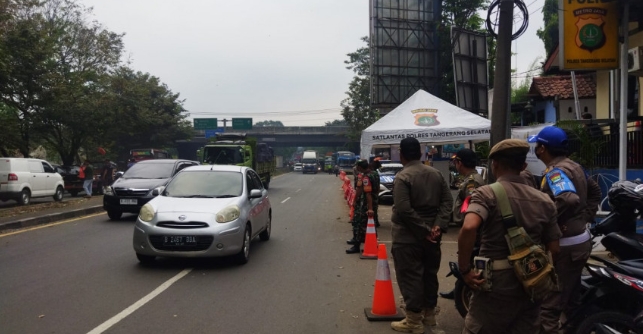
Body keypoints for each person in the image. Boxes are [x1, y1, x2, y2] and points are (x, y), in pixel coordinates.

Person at [458, 139, 561, 334]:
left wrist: (465, 270)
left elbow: (469, 227)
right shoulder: (545, 200)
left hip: (495, 284)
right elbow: (554, 248)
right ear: (523, 166)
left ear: (494, 165)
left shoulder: (486, 194)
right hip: (531, 282)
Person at [529, 126, 602, 333]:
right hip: (579, 240)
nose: (536, 148)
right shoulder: (574, 166)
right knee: (571, 299)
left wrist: (547, 223)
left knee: (549, 307)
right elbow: (594, 191)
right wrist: (584, 217)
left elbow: (568, 199)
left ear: (542, 148)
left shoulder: (556, 172)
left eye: (537, 145)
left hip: (565, 246)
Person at [389, 137, 453, 333]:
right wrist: (437, 227)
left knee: (410, 278)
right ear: (421, 153)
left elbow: (403, 210)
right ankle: (430, 318)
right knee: (429, 276)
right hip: (433, 238)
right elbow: (447, 202)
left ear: (401, 154)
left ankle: (414, 320)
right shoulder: (436, 174)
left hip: (407, 238)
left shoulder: (403, 177)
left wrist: (424, 231)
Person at [440, 148, 486, 300]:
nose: (455, 165)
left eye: (455, 162)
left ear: (460, 163)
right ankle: (459, 288)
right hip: (470, 226)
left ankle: (464, 290)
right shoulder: (470, 179)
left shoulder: (472, 182)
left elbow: (472, 207)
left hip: (473, 229)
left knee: (467, 260)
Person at [346, 160, 376, 254]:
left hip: (364, 204)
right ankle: (369, 243)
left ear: (360, 167)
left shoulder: (364, 177)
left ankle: (356, 245)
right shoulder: (375, 174)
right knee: (369, 224)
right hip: (373, 202)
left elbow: (366, 193)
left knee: (359, 224)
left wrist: (356, 201)